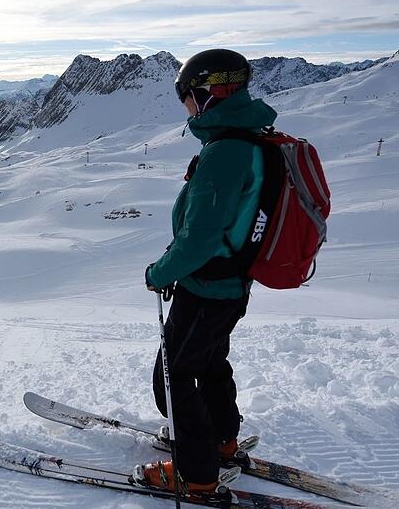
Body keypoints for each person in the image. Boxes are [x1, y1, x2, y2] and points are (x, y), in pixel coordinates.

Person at [140, 48, 277, 494]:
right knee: (210, 362)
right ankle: (221, 440)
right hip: (229, 284)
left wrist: (160, 271)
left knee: (176, 374)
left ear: (208, 94)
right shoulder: (248, 139)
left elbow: (199, 238)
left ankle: (196, 475)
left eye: (187, 99)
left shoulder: (224, 152)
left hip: (207, 283)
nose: (187, 109)